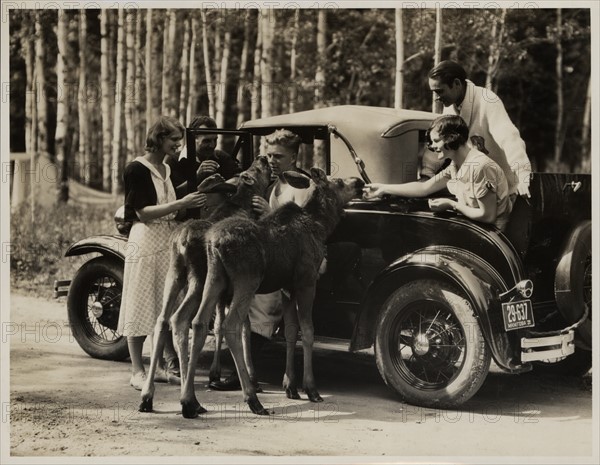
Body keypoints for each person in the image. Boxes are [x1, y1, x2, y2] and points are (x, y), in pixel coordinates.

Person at [209, 128, 312, 391]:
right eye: (269, 155)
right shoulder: (275, 183)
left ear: (294, 157)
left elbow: (298, 229)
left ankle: (242, 373)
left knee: (260, 305)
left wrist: (269, 212)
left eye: (279, 156)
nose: (273, 161)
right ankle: (239, 367)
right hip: (270, 256)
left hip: (289, 263)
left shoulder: (299, 185)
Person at [117, 116, 206, 390]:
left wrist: (188, 204)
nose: (178, 146)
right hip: (145, 241)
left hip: (167, 241)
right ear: (158, 139)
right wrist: (181, 202)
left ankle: (163, 365)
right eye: (173, 141)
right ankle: (137, 370)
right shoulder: (137, 169)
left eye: (179, 141)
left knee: (164, 303)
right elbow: (142, 212)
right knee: (140, 302)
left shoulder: (166, 170)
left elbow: (167, 207)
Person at [363, 114, 513, 231]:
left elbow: (487, 216)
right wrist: (383, 188)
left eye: (435, 141)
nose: (432, 147)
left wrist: (451, 204)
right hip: (473, 227)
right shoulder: (456, 165)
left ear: (452, 138)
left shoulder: (480, 166)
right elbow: (424, 188)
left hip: (490, 235)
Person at [428, 60, 532, 199]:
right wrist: (426, 173)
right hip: (476, 186)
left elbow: (509, 138)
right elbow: (440, 143)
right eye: (434, 92)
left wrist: (523, 174)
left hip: (507, 188)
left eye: (440, 91)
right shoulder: (449, 107)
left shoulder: (487, 100)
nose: (436, 98)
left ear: (457, 84)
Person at [173, 115, 241, 218]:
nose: (212, 145)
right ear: (193, 138)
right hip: (186, 223)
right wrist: (196, 176)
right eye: (207, 141)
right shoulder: (174, 160)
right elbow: (172, 194)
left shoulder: (221, 157)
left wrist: (220, 186)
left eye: (215, 140)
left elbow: (240, 177)